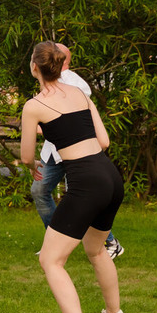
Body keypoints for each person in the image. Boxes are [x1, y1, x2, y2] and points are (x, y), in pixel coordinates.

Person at [20, 41, 128, 313]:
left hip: (86, 182)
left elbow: (28, 156)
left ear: (35, 68)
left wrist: (32, 165)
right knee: (95, 250)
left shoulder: (34, 106)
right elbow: (104, 140)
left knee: (50, 259)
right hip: (109, 175)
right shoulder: (80, 94)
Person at [31, 44, 124, 260]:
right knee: (39, 190)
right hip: (53, 153)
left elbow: (92, 133)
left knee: (84, 202)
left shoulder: (76, 86)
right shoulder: (48, 86)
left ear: (63, 60)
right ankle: (55, 242)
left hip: (79, 156)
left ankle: (110, 241)